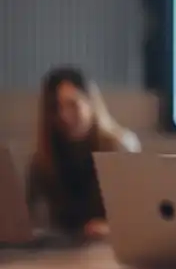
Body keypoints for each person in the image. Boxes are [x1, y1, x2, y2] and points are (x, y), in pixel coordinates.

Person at [26, 67, 140, 239]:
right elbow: (29, 214)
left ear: (90, 102)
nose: (64, 115)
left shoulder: (120, 147)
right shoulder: (44, 157)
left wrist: (111, 227)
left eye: (72, 104)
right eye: (57, 108)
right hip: (61, 252)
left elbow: (141, 214)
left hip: (110, 248)